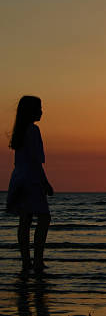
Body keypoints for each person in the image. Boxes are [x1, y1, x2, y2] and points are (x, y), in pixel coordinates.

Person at [6, 95, 54, 274]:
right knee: (43, 217)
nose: (41, 111)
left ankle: (26, 261)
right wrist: (45, 183)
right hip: (31, 179)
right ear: (30, 111)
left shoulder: (21, 131)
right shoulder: (33, 130)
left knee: (25, 220)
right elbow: (35, 161)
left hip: (19, 178)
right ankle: (38, 260)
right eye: (38, 108)